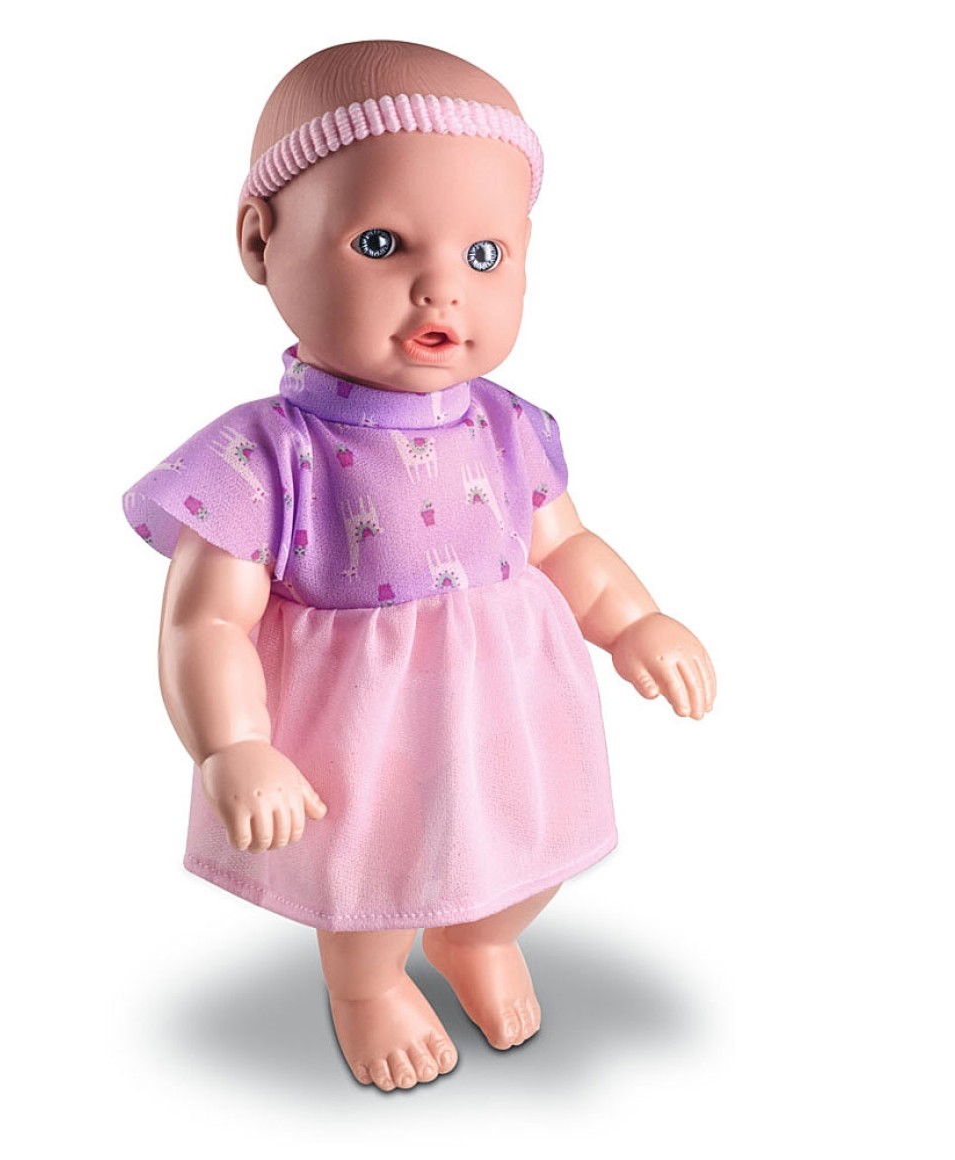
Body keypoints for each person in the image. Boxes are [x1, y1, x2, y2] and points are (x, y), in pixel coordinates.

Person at [123, 40, 715, 1092]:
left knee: (531, 842)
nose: (441, 286)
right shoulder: (265, 455)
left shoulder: (507, 423)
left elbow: (562, 543)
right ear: (261, 239)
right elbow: (205, 621)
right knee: (375, 868)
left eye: (484, 254)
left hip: (507, 700)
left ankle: (479, 934)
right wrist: (232, 744)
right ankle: (366, 985)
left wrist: (634, 620)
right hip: (364, 722)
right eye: (382, 242)